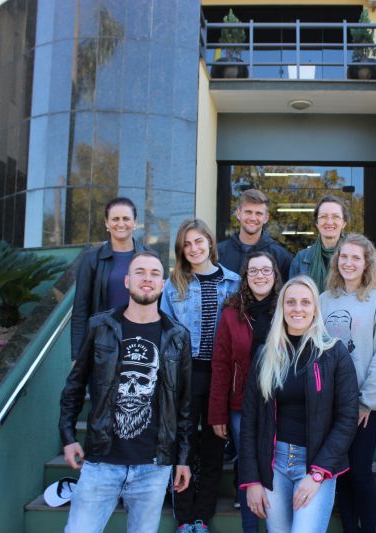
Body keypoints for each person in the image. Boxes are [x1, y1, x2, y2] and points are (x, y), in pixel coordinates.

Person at [58, 251, 192, 533]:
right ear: (127, 281)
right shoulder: (100, 326)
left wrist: (182, 458)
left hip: (153, 466)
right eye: (140, 272)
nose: (147, 279)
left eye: (155, 273)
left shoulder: (177, 336)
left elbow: (184, 404)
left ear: (163, 284)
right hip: (101, 462)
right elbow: (75, 385)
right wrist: (68, 437)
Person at [240, 276, 359, 533]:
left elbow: (348, 418)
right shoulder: (265, 355)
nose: (298, 308)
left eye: (305, 302)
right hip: (274, 465)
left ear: (315, 309)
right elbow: (249, 421)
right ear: (282, 307)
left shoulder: (334, 353)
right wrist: (252, 480)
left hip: (315, 463)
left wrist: (318, 473)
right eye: (291, 302)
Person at [160, 219, 240, 533]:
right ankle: (184, 517)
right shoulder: (174, 284)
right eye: (187, 244)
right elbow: (164, 333)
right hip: (185, 373)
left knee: (213, 445)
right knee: (183, 444)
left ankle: (201, 517)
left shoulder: (233, 282)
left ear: (209, 241)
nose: (194, 249)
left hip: (220, 375)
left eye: (198, 241)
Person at [320, 234, 376, 533]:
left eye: (356, 257)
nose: (348, 262)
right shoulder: (324, 300)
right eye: (344, 256)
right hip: (330, 403)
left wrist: (366, 402)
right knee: (340, 472)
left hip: (365, 405)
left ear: (367, 264)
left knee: (360, 470)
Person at [209, 252, 282, 533]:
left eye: (266, 270)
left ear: (275, 275)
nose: (260, 276)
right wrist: (218, 414)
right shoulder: (231, 312)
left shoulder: (286, 307)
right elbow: (221, 363)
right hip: (241, 404)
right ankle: (250, 528)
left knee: (276, 465)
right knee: (248, 465)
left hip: (280, 402)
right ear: (245, 276)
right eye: (253, 271)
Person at [71, 197, 147, 361]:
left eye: (126, 218)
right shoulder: (91, 260)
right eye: (115, 219)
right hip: (102, 347)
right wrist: (77, 356)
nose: (121, 224)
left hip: (141, 343)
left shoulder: (149, 257)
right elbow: (80, 312)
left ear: (135, 222)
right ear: (107, 223)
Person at [217, 189, 293, 281]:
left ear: (266, 218)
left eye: (258, 213)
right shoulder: (218, 253)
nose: (253, 218)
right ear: (238, 213)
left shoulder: (281, 257)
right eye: (248, 212)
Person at [289, 195, 348, 292]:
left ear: (344, 223)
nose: (329, 222)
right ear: (317, 223)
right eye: (323, 216)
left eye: (335, 217)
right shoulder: (300, 259)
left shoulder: (353, 259)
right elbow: (293, 295)